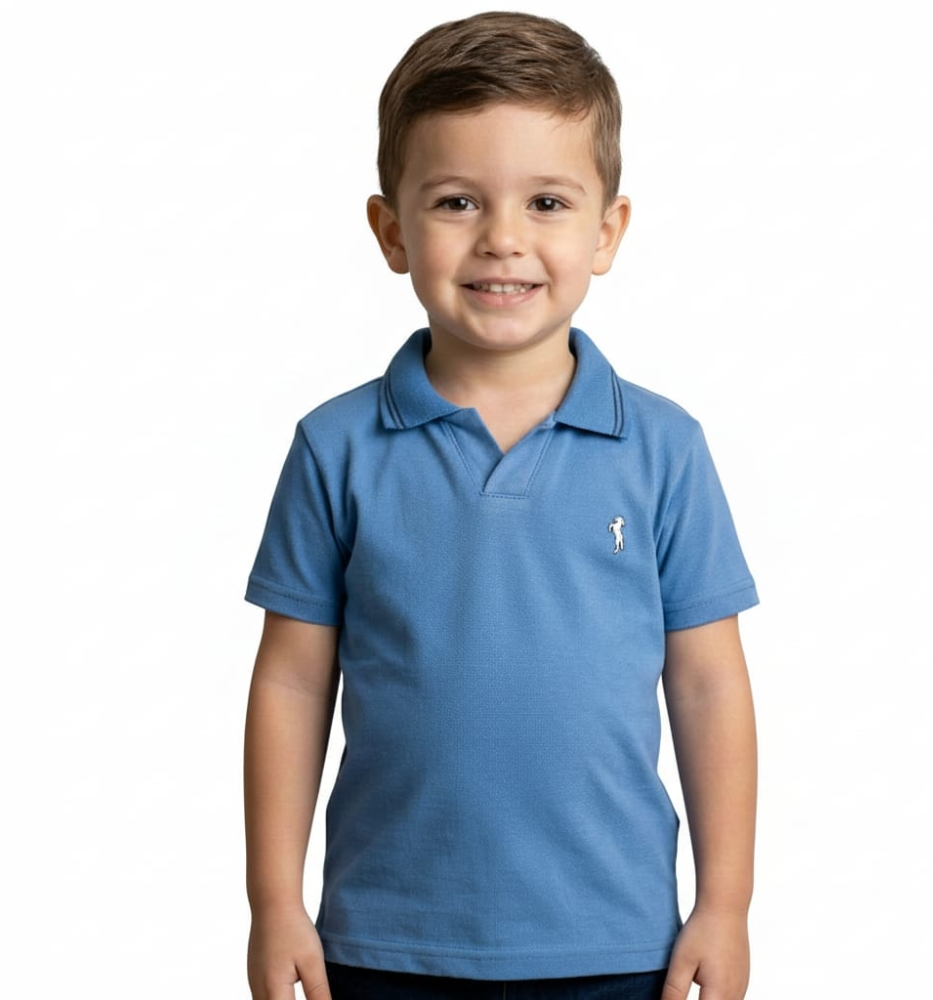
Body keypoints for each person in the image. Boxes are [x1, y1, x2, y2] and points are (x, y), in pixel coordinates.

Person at [243, 11, 758, 1000]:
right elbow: (292, 685)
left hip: (616, 946)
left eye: (547, 201)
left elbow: (708, 686)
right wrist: (274, 903)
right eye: (456, 201)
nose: (504, 239)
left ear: (607, 231)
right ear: (391, 230)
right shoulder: (335, 446)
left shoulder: (665, 450)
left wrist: (724, 905)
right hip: (385, 943)